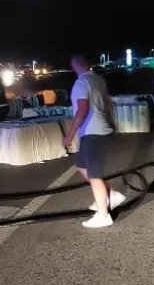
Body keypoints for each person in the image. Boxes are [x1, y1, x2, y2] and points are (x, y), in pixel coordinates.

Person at [63, 55, 125, 229]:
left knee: (94, 174)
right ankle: (110, 195)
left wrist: (69, 135)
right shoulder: (98, 79)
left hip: (93, 132)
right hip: (96, 131)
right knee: (82, 166)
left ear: (75, 66)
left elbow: (82, 109)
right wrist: (111, 122)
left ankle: (104, 215)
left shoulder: (81, 83)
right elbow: (108, 103)